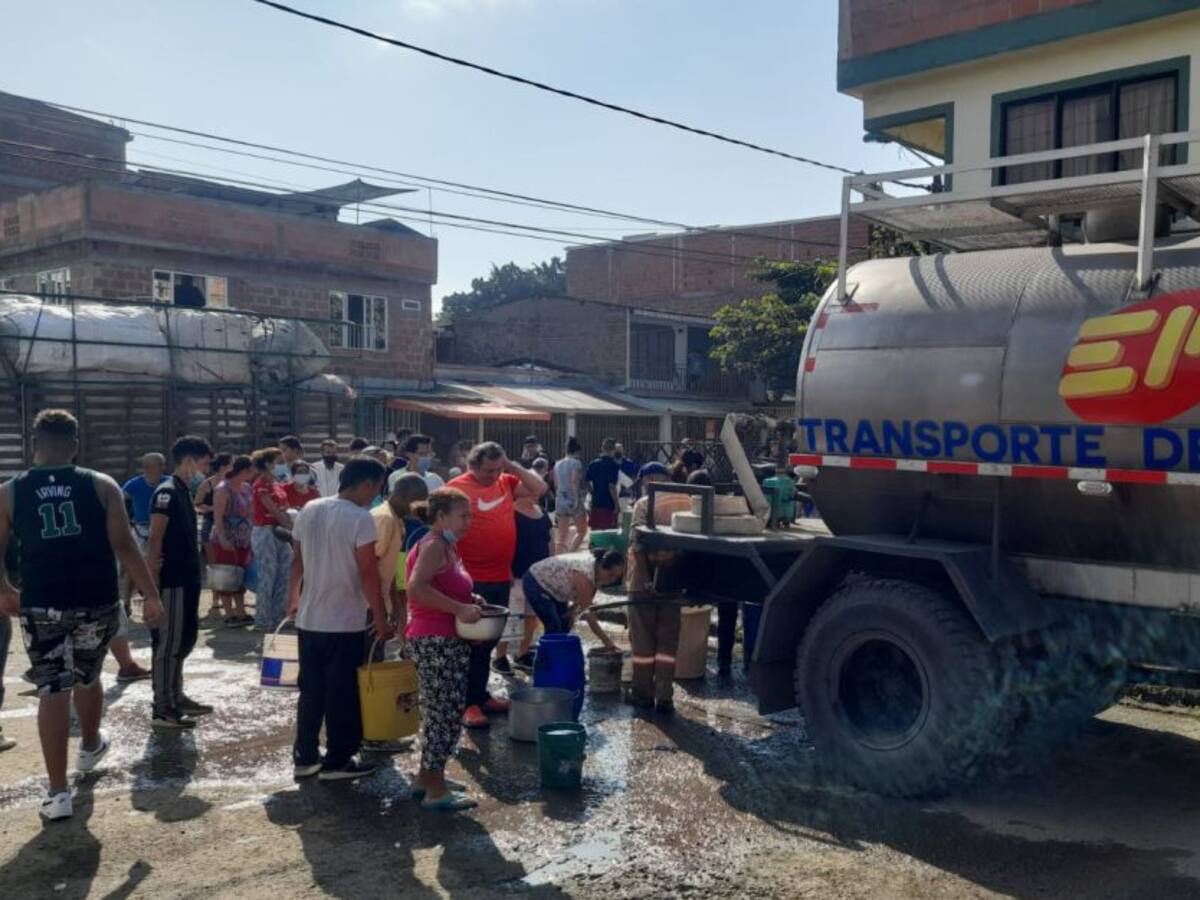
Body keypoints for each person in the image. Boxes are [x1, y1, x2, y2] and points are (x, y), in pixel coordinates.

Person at [0, 410, 164, 820]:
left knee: (52, 689)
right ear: (75, 444)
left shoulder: (10, 491)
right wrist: (150, 596)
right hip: (95, 601)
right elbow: (125, 546)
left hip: (42, 604)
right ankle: (90, 744)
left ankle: (57, 793)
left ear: (33, 443)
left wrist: (3, 588)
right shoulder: (99, 484)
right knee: (88, 678)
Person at [287, 457, 395, 782]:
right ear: (366, 484)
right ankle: (338, 760)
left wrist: (292, 598)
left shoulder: (310, 508)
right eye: (377, 487)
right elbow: (368, 572)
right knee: (342, 693)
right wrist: (381, 615)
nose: (376, 494)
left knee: (312, 691)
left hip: (309, 618)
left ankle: (305, 757)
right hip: (344, 620)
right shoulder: (360, 518)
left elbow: (297, 560)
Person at [448, 442, 546, 729]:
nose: (493, 475)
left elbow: (539, 489)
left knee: (489, 640)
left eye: (497, 469)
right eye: (488, 470)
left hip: (500, 575)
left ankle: (480, 695)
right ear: (473, 466)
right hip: (467, 578)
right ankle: (467, 703)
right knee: (469, 642)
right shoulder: (456, 487)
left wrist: (512, 466)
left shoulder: (507, 481)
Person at [404, 488, 482, 811]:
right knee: (443, 715)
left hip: (447, 640)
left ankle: (427, 777)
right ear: (440, 517)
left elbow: (440, 586)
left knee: (444, 712)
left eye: (470, 515)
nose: (468, 522)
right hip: (435, 640)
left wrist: (469, 602)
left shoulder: (448, 546)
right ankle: (436, 790)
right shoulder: (435, 544)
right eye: (463, 516)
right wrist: (458, 609)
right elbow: (416, 588)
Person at [147, 435, 213, 729]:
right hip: (172, 581)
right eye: (203, 463)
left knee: (184, 641)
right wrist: (152, 587)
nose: (205, 470)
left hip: (188, 580)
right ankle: (163, 707)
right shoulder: (167, 491)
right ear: (188, 460)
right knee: (168, 645)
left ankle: (177, 696)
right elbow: (155, 540)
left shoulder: (184, 490)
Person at [624, 462, 694, 714]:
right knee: (667, 642)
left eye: (644, 480)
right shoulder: (688, 500)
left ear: (651, 479)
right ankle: (664, 696)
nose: (643, 485)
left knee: (643, 643)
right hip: (672, 584)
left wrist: (644, 580)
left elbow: (637, 541)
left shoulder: (644, 503)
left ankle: (642, 694)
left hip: (643, 584)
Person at [498, 492, 554, 675]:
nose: (535, 493)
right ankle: (500, 656)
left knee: (532, 616)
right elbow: (503, 541)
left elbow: (550, 540)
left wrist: (552, 564)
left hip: (539, 575)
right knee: (512, 617)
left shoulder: (543, 513)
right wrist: (505, 567)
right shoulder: (509, 513)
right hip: (516, 574)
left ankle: (522, 653)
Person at [522, 549, 624, 648]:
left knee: (565, 623)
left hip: (556, 589)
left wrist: (572, 612)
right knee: (554, 626)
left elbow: (583, 601)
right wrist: (607, 641)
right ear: (601, 566)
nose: (612, 580)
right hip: (536, 581)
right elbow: (589, 615)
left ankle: (559, 654)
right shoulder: (584, 575)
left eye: (616, 577)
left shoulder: (596, 572)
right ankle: (547, 660)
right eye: (610, 575)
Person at [372, 472, 430, 644]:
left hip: (379, 604)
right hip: (369, 607)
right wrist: (379, 612)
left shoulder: (398, 521)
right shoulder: (385, 519)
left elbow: (392, 568)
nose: (419, 507)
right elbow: (369, 567)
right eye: (418, 500)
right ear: (403, 496)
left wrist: (396, 607)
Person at [250, 448, 294, 631]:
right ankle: (262, 619)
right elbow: (273, 509)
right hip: (266, 531)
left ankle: (278, 616)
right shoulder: (261, 484)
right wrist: (292, 527)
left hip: (281, 532)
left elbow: (285, 507)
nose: (282, 465)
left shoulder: (277, 484)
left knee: (284, 573)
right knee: (268, 574)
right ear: (268, 463)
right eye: (279, 461)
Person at [210, 455, 254, 626]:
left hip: (243, 538)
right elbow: (218, 516)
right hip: (227, 537)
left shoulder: (246, 488)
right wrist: (222, 538)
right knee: (227, 575)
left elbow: (251, 511)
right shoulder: (223, 489)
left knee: (240, 575)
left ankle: (241, 610)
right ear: (244, 471)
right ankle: (229, 613)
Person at [120, 452, 168, 605]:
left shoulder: (168, 483)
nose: (161, 468)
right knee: (133, 567)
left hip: (163, 527)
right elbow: (118, 500)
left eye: (161, 465)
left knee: (161, 565)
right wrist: (124, 520)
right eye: (146, 466)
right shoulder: (134, 484)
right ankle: (127, 601)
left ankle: (158, 600)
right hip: (141, 528)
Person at [196, 453, 232, 565]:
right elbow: (197, 504)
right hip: (211, 521)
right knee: (206, 539)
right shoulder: (207, 484)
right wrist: (211, 508)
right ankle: (213, 569)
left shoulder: (234, 482)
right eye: (231, 464)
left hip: (231, 522)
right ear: (223, 466)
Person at [553, 437, 587, 553]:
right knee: (582, 530)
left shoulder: (557, 464)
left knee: (562, 534)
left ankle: (558, 557)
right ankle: (571, 553)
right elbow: (574, 481)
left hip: (560, 498)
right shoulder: (576, 463)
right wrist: (577, 498)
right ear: (577, 451)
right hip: (572, 498)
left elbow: (556, 483)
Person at [586, 438, 621, 531]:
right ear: (614, 450)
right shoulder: (614, 465)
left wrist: (592, 493)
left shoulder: (593, 464)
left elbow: (586, 482)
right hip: (608, 503)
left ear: (602, 448)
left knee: (595, 531)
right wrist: (617, 504)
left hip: (596, 502)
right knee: (608, 531)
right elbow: (611, 486)